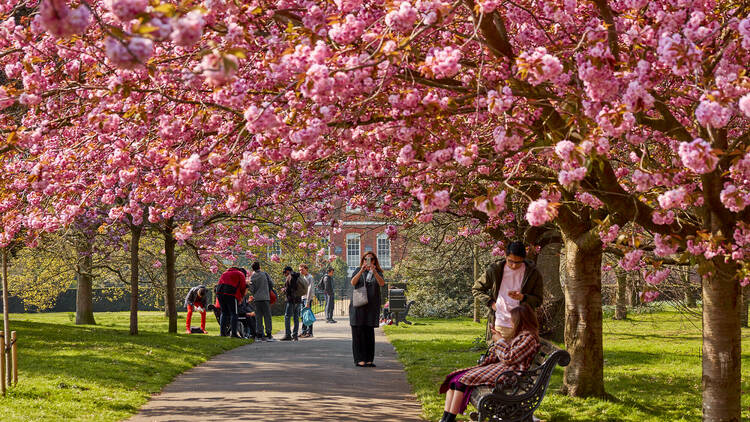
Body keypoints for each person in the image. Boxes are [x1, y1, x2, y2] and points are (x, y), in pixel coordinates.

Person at [438, 304, 541, 422]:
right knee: (454, 380)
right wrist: (499, 340)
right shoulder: (522, 335)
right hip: (503, 369)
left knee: (461, 382)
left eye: (512, 320)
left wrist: (500, 341)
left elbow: (509, 357)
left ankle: (449, 419)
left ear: (521, 321)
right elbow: (507, 353)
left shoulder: (529, 338)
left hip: (509, 374)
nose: (510, 322)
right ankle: (445, 419)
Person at [472, 241, 543, 342]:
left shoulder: (533, 273)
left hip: (523, 326)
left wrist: (523, 297)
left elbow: (538, 300)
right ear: (505, 256)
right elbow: (477, 289)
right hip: (500, 324)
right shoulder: (495, 270)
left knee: (517, 357)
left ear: (524, 258)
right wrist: (491, 303)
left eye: (518, 262)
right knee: (499, 356)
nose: (514, 265)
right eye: (510, 261)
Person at [349, 251, 385, 367]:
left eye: (371, 259)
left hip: (371, 307)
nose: (368, 261)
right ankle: (359, 359)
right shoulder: (358, 270)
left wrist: (374, 271)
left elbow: (382, 283)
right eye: (365, 259)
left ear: (374, 261)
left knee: (369, 333)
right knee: (358, 333)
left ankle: (369, 359)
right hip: (358, 306)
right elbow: (353, 282)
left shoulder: (377, 272)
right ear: (363, 260)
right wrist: (361, 271)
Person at [216, 267, 247, 338]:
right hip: (231, 293)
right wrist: (241, 297)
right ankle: (233, 334)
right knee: (234, 313)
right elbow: (243, 286)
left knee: (224, 313)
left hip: (219, 292)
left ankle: (222, 333)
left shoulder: (225, 273)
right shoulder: (240, 274)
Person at [249, 261, 276, 342]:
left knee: (258, 317)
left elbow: (252, 289)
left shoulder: (252, 277)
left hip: (257, 299)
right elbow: (271, 283)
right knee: (267, 316)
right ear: (259, 267)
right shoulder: (265, 274)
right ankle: (269, 335)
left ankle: (259, 335)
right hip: (265, 297)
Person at [281, 266, 303, 341]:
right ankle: (295, 335)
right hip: (298, 300)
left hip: (291, 300)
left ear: (288, 271)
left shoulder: (290, 277)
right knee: (296, 317)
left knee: (287, 317)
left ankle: (287, 335)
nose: (284, 275)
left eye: (284, 273)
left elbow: (289, 290)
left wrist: (284, 290)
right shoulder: (298, 276)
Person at [299, 263, 315, 338]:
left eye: (302, 270)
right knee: (303, 316)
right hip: (303, 298)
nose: (301, 271)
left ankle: (309, 332)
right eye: (300, 270)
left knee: (307, 315)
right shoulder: (303, 277)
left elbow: (310, 289)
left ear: (306, 269)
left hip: (307, 298)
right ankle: (304, 332)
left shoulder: (310, 277)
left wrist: (308, 301)